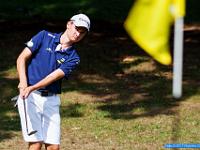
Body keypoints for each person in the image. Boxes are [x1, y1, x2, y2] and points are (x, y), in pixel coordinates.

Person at [16, 13, 90, 150]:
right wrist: (23, 82)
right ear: (69, 24)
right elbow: (21, 58)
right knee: (36, 144)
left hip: (51, 100)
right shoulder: (44, 36)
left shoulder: (74, 58)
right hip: (30, 98)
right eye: (77, 28)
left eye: (82, 32)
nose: (78, 33)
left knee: (53, 147)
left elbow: (53, 77)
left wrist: (31, 88)